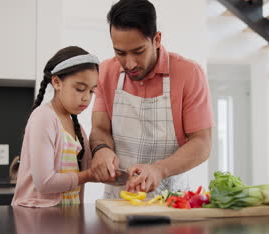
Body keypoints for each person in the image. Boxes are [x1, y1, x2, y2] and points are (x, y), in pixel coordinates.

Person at [90, 0, 213, 198]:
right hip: (117, 201)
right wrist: (101, 149)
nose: (129, 64)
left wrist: (159, 169)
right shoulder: (105, 72)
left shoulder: (189, 74)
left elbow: (202, 143)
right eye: (120, 53)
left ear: (156, 39)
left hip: (172, 201)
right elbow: (100, 129)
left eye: (138, 51)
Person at [12, 46, 114, 207]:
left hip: (64, 218)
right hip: (36, 218)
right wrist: (88, 175)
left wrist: (118, 174)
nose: (86, 98)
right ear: (57, 82)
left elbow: (92, 171)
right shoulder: (44, 117)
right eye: (80, 89)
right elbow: (45, 183)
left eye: (92, 91)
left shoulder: (77, 127)